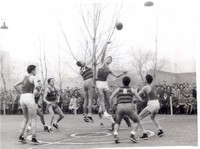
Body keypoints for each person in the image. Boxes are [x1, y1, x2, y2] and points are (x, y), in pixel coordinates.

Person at [109, 76, 148, 143]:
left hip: (120, 107)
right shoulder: (132, 89)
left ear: (122, 82)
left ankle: (115, 135)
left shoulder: (118, 89)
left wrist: (111, 107)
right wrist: (140, 101)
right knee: (137, 121)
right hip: (129, 107)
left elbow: (111, 98)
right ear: (129, 82)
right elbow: (139, 99)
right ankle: (132, 135)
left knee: (117, 122)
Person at [96, 55, 127, 126]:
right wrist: (106, 44)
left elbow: (116, 75)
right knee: (101, 97)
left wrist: (122, 73)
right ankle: (104, 112)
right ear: (105, 59)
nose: (109, 60)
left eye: (111, 60)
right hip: (99, 82)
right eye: (108, 58)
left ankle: (110, 112)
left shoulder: (109, 69)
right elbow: (103, 52)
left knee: (109, 98)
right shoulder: (101, 64)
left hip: (105, 83)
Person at [13, 65, 40, 144]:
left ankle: (21, 136)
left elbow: (14, 85)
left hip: (22, 97)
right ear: (32, 71)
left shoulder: (24, 78)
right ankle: (34, 138)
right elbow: (37, 86)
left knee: (26, 118)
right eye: (35, 70)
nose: (36, 71)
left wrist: (21, 93)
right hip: (29, 96)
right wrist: (38, 90)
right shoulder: (34, 77)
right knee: (34, 118)